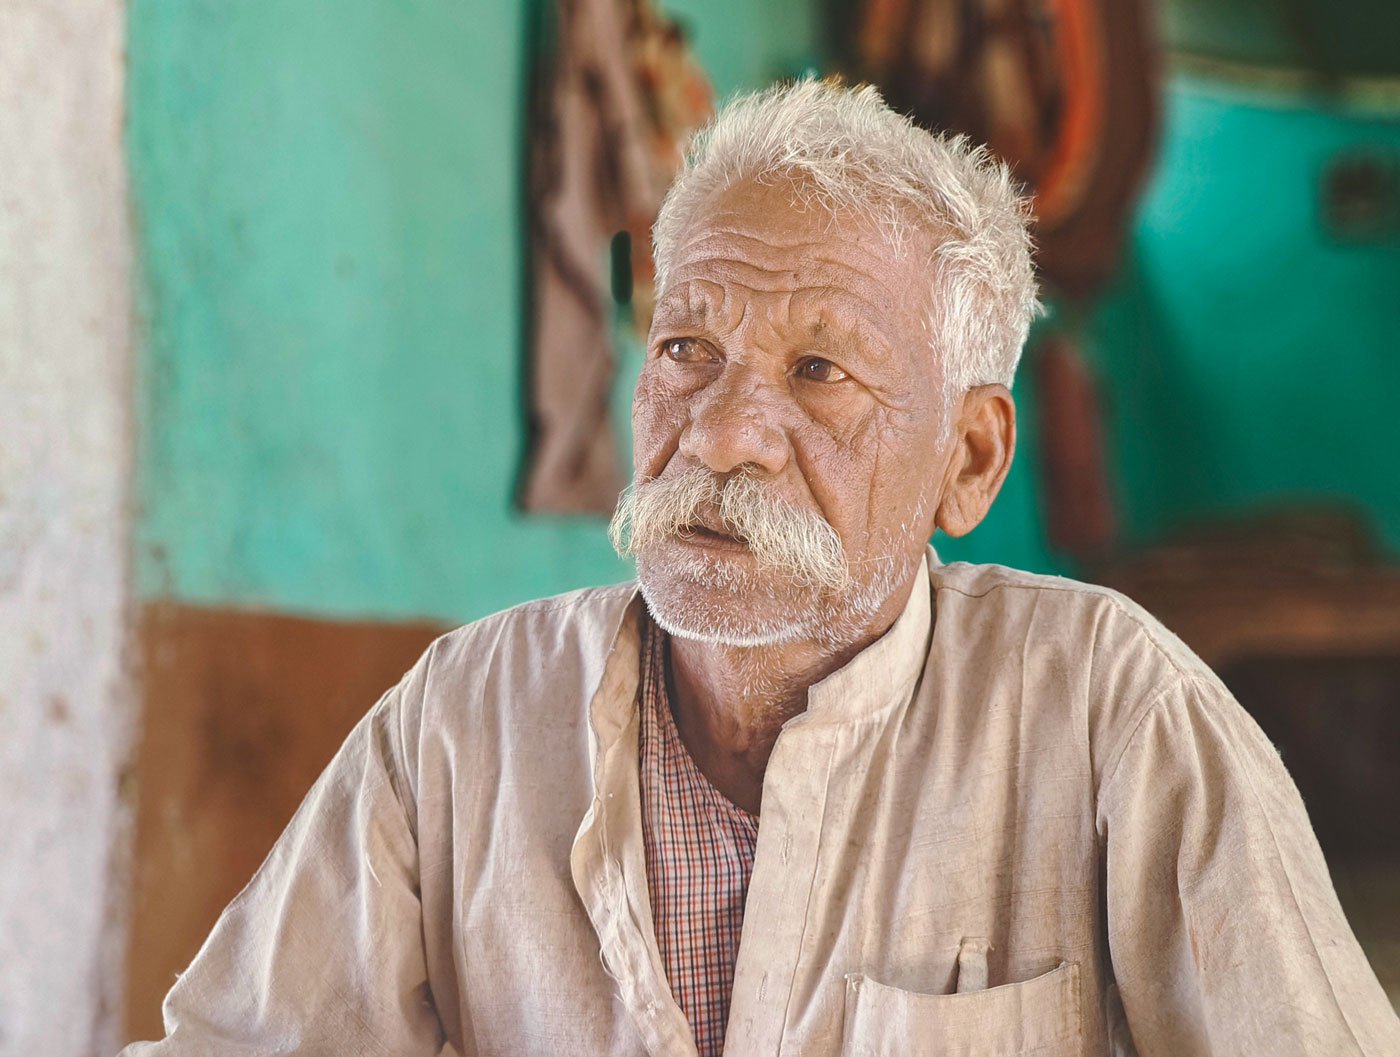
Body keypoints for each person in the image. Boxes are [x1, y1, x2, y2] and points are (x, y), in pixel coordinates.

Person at [122, 80, 1399, 1057]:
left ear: (967, 459)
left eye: (818, 370)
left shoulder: (1113, 715)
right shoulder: (463, 718)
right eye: (687, 348)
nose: (721, 433)